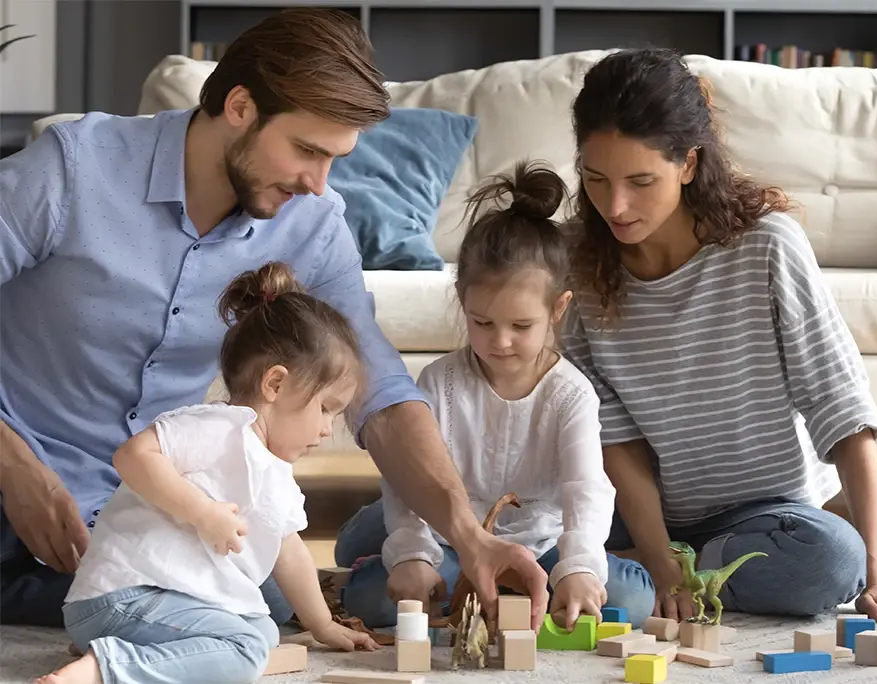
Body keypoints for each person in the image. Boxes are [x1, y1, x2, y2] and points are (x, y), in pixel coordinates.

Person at [0, 8, 548, 632]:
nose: (318, 183)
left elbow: (380, 391)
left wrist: (468, 535)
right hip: (11, 461)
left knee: (272, 608)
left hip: (146, 500)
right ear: (239, 106)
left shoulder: (312, 225)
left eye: (335, 159)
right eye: (307, 150)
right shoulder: (73, 168)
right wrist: (13, 463)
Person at [559, 46, 877, 627]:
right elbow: (612, 439)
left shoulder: (767, 246)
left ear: (690, 164)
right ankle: (632, 568)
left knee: (831, 560)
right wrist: (656, 551)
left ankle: (622, 573)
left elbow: (843, 412)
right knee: (389, 527)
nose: (615, 206)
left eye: (641, 181)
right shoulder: (577, 265)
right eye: (595, 179)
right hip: (636, 511)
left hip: (761, 518)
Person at [335, 161, 656, 631]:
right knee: (380, 601)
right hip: (451, 538)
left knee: (628, 598)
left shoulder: (572, 395)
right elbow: (409, 482)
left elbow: (584, 491)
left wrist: (580, 568)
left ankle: (382, 541)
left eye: (521, 326)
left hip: (539, 542)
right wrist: (413, 555)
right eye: (482, 322)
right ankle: (372, 542)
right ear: (462, 301)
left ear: (558, 308)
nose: (500, 341)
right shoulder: (439, 383)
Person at [35, 262, 379, 684]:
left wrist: (323, 625)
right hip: (127, 596)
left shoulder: (276, 474)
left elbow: (290, 554)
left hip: (152, 605)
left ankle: (126, 647)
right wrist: (203, 512)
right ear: (275, 384)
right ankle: (105, 668)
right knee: (246, 649)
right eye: (325, 409)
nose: (327, 429)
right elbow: (132, 456)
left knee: (264, 630)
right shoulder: (216, 428)